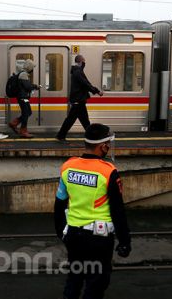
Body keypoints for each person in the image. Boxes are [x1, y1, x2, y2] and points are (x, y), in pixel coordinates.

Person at [54, 123, 131, 299]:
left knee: (74, 278)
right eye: (108, 144)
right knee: (97, 282)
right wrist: (125, 241)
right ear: (103, 146)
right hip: (99, 239)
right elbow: (117, 210)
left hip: (73, 234)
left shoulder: (68, 167)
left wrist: (61, 231)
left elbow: (59, 203)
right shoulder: (109, 172)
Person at [56, 55, 103, 143]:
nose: (84, 63)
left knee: (84, 120)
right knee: (72, 120)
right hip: (78, 100)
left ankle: (91, 137)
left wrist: (95, 90)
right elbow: (86, 84)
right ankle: (61, 136)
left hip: (79, 100)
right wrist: (97, 91)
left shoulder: (77, 71)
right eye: (84, 61)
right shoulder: (78, 72)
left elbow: (86, 83)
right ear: (80, 62)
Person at [8, 59, 40, 138]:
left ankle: (14, 123)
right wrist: (36, 86)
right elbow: (27, 86)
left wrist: (33, 86)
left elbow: (26, 85)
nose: (32, 69)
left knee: (28, 112)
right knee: (26, 113)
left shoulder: (23, 74)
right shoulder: (23, 74)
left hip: (23, 97)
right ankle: (23, 131)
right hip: (22, 97)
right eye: (32, 67)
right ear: (29, 67)